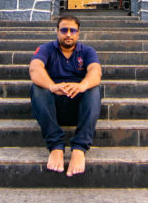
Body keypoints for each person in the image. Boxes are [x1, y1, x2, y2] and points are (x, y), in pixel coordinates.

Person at [29, 14, 102, 176]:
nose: (68, 34)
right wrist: (52, 86)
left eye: (72, 30)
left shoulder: (88, 51)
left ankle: (79, 148)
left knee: (94, 88)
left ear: (78, 33)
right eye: (64, 30)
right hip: (52, 107)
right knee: (38, 88)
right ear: (57, 32)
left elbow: (95, 72)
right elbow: (35, 68)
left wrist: (82, 86)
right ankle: (55, 146)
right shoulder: (46, 49)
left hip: (79, 108)